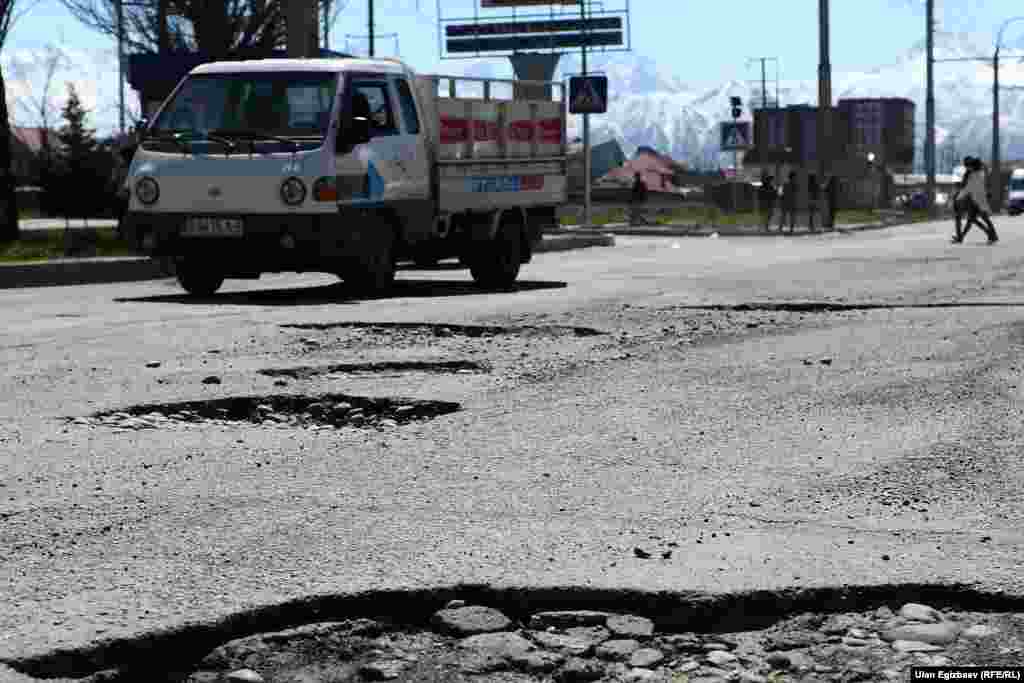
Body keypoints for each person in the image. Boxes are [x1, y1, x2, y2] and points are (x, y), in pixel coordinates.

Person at [961, 156, 999, 244]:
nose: (967, 168)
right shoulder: (971, 172)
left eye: (967, 166)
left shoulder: (978, 172)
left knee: (980, 218)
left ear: (971, 165)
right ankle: (961, 237)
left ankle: (992, 235)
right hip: (974, 199)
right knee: (972, 219)